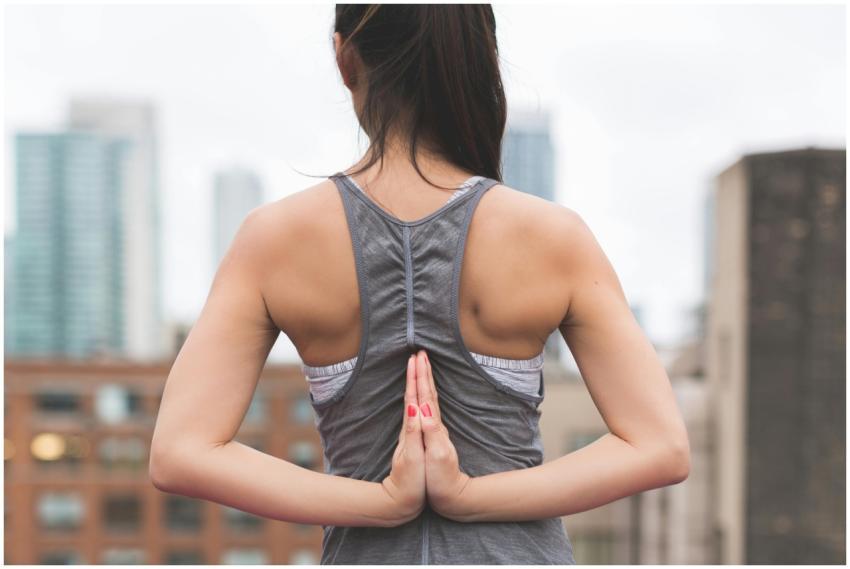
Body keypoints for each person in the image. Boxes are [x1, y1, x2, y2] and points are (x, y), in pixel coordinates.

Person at [149, 4, 690, 565]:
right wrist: (468, 497)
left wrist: (382, 503)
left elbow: (181, 452)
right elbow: (659, 446)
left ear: (344, 57)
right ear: (479, 61)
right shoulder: (552, 236)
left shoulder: (274, 239)